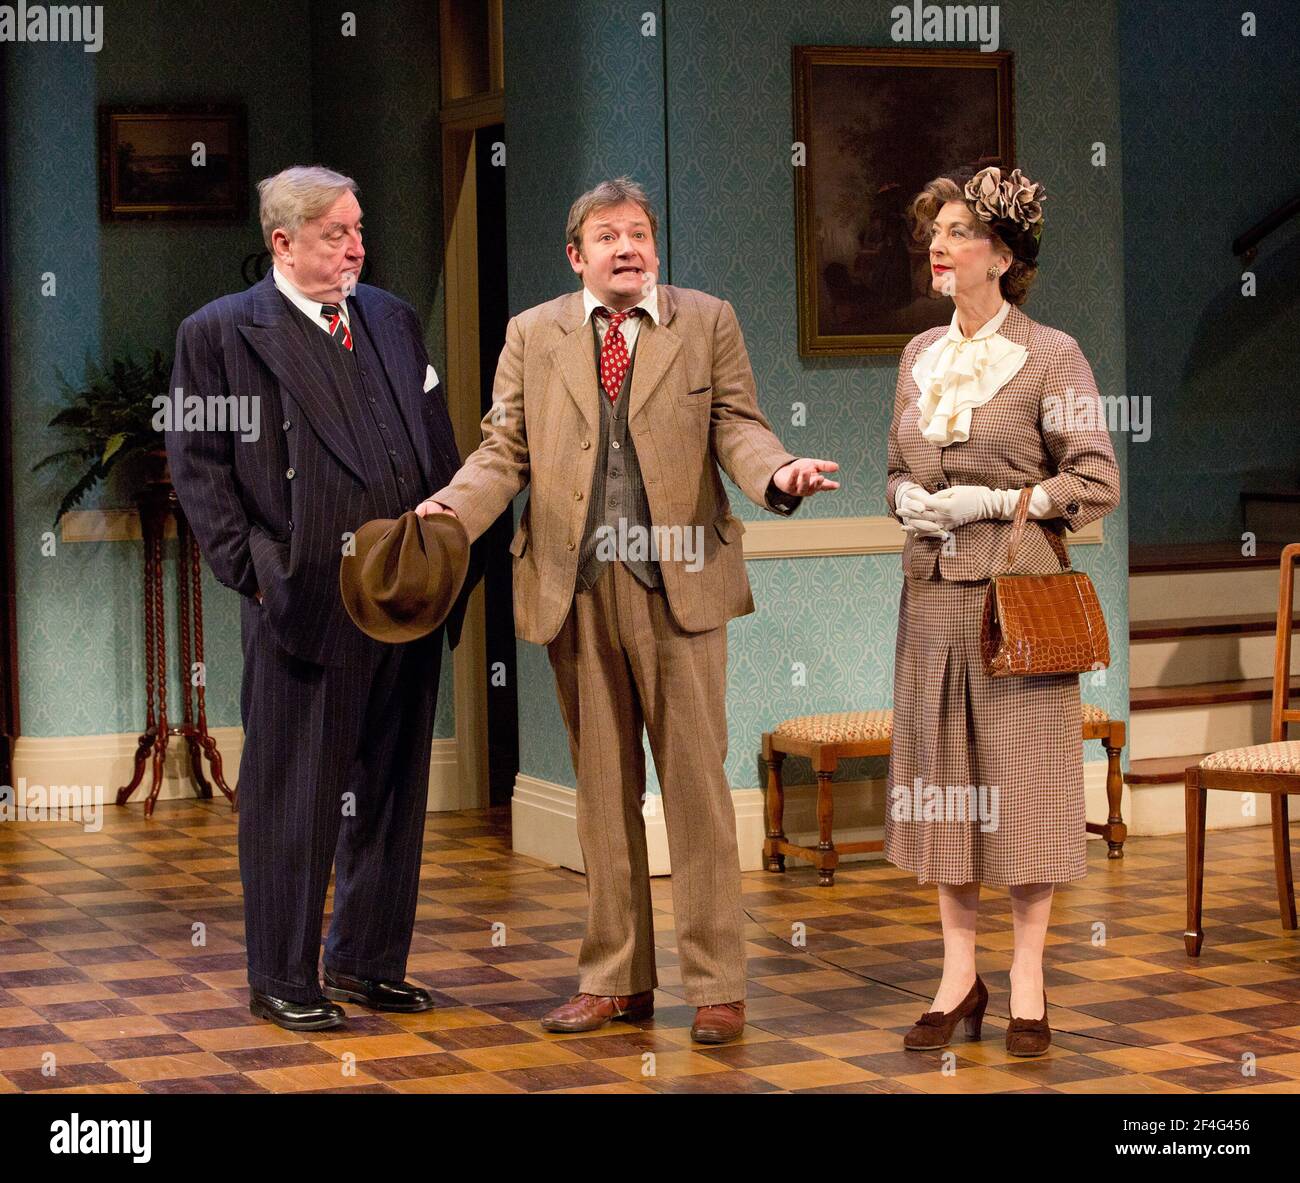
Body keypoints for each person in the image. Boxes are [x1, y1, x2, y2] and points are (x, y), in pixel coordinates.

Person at [417, 177, 838, 1044]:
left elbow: (737, 425)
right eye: (607, 236)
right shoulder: (534, 334)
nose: (627, 248)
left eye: (639, 233)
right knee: (602, 794)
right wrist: (454, 509)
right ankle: (616, 979)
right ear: (577, 255)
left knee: (696, 793)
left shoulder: (706, 320)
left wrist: (776, 474)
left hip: (678, 583)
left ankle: (717, 983)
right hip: (573, 588)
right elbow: (505, 448)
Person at [167, 165, 479, 1030]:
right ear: (283, 242)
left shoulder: (388, 316)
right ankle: (282, 975)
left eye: (359, 229)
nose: (356, 247)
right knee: (293, 799)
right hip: (303, 603)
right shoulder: (223, 334)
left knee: (391, 789)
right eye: (337, 233)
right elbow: (200, 472)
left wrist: (451, 538)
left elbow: (436, 438)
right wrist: (263, 574)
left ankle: (366, 961)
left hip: (409, 593)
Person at [884, 164, 1120, 1056]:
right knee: (946, 788)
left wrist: (995, 503)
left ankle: (1028, 978)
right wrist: (910, 499)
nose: (938, 248)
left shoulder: (1050, 354)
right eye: (934, 233)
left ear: (1003, 254)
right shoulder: (918, 357)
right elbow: (898, 468)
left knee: (1021, 791)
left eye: (956, 233)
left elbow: (1097, 477)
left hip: (1016, 598)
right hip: (934, 601)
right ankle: (957, 975)